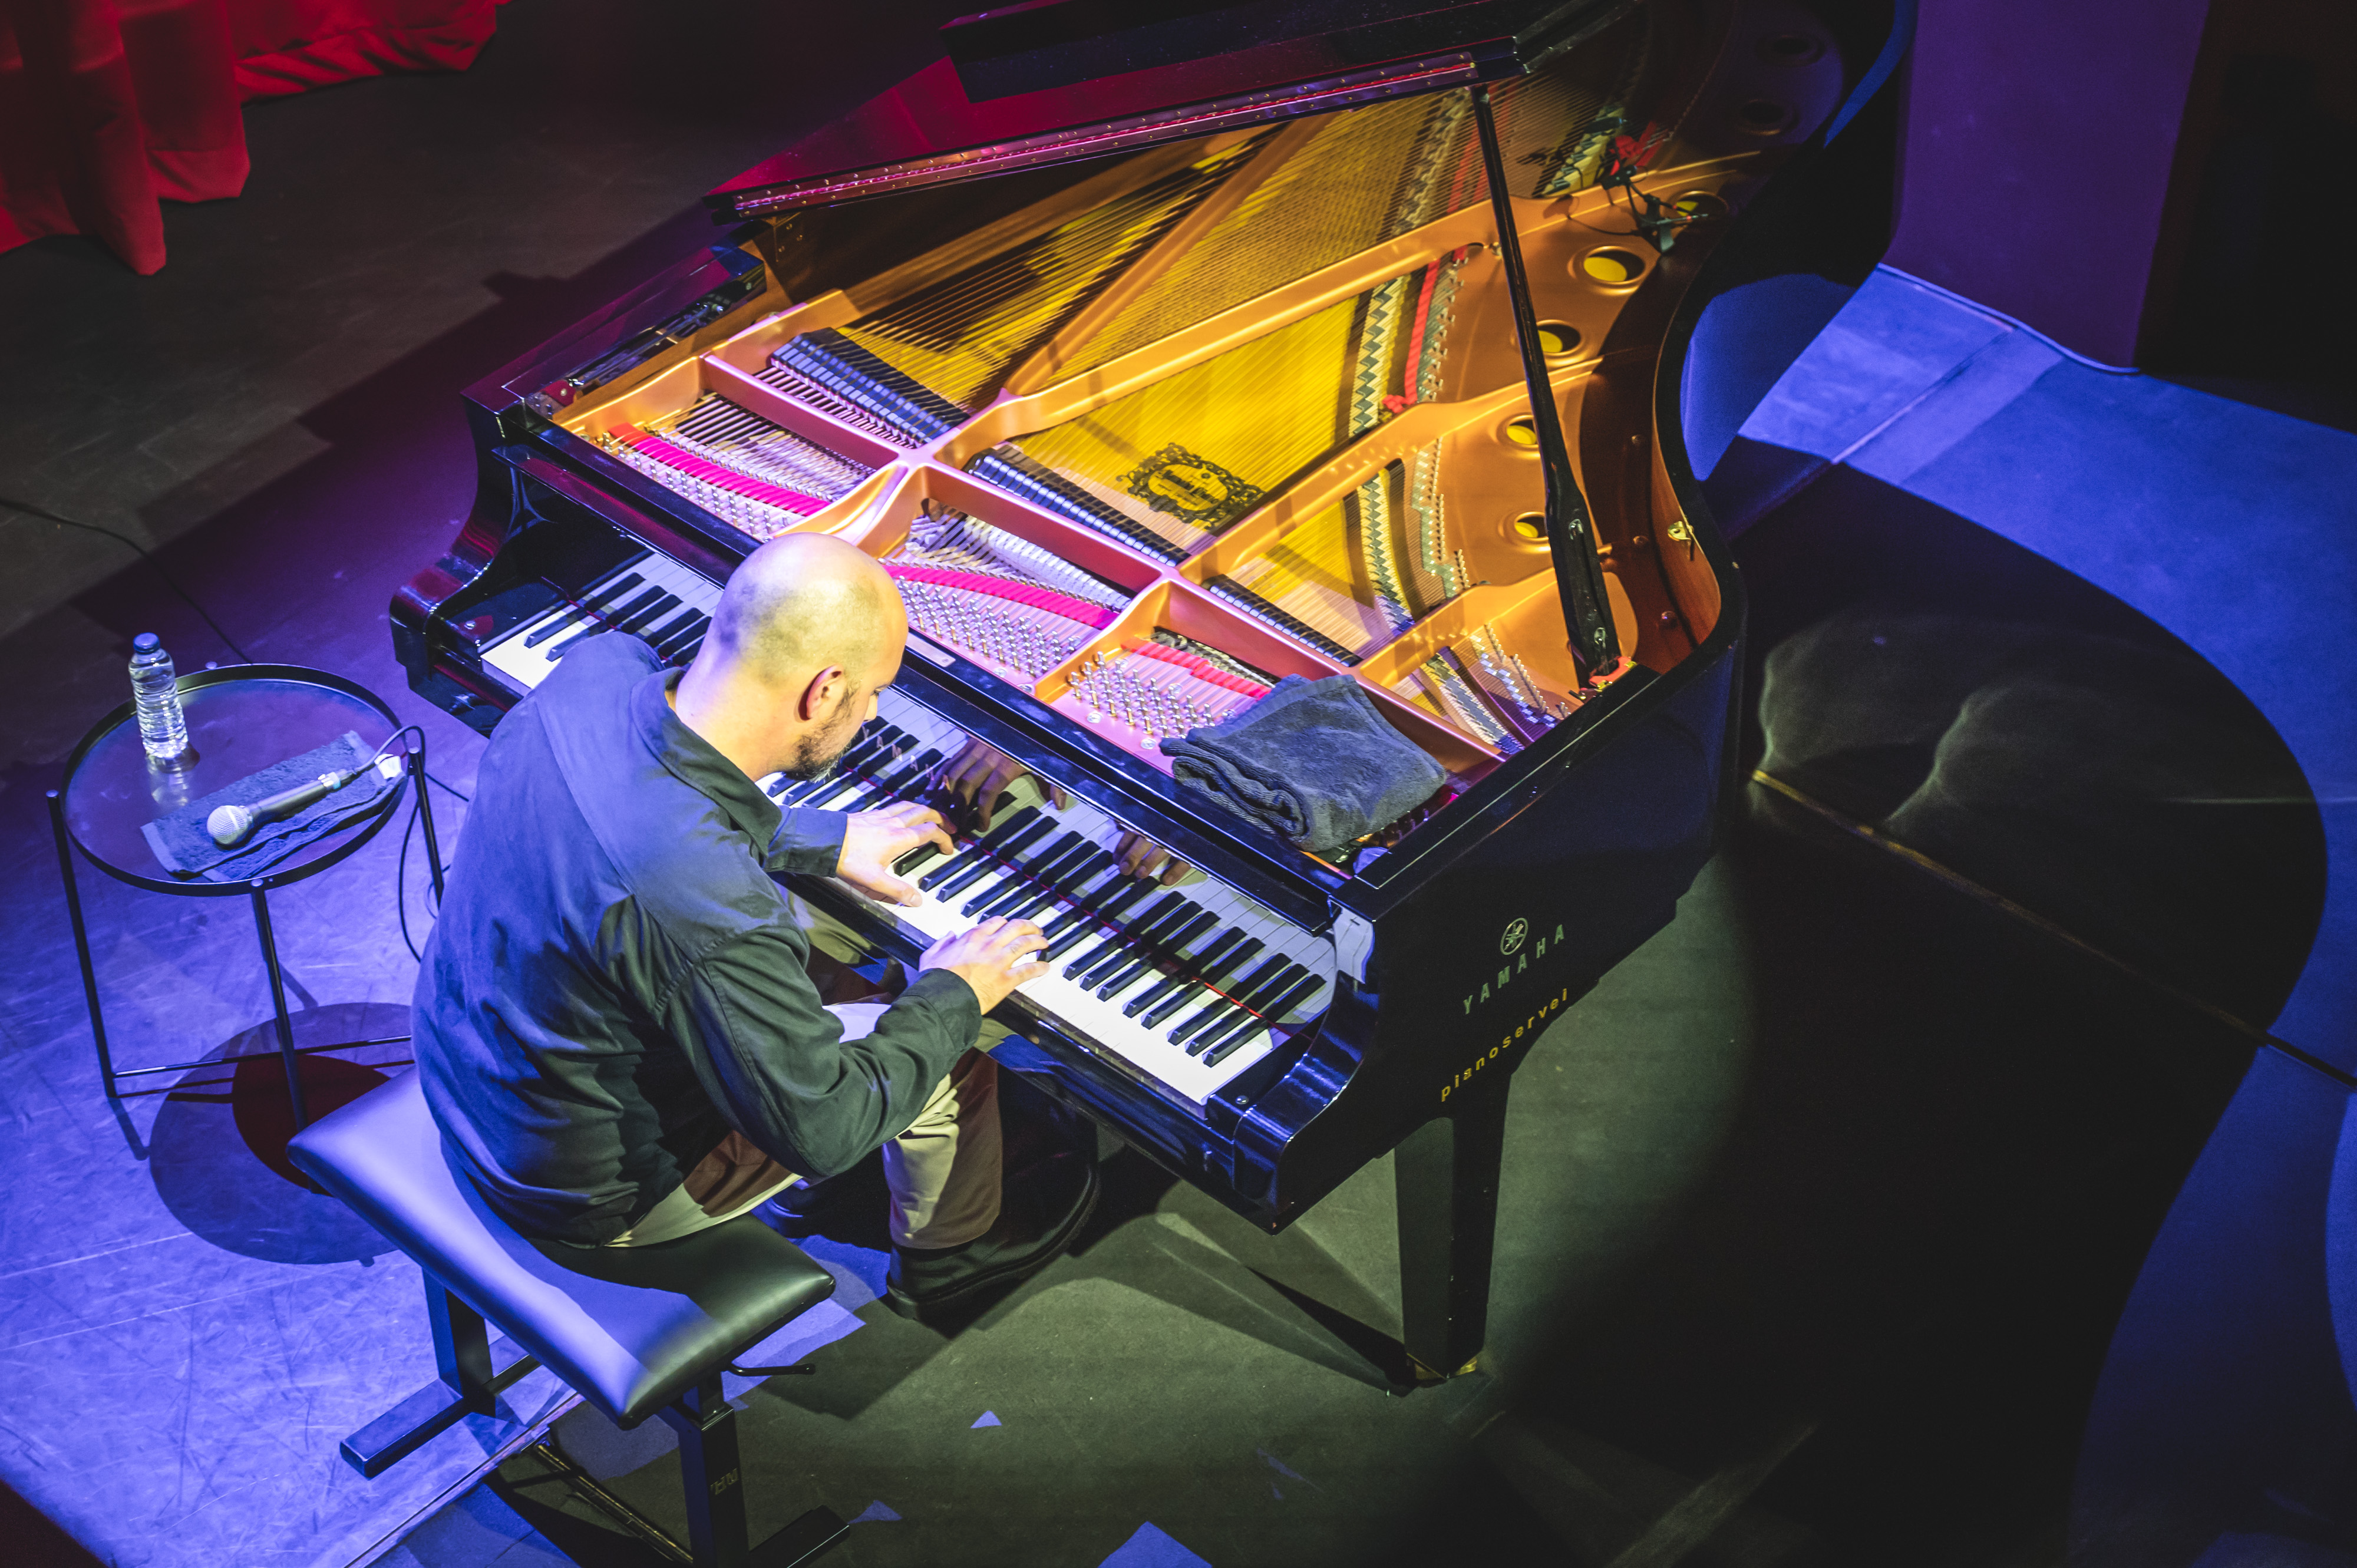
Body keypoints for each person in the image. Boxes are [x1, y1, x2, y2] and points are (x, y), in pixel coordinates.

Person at [412, 532, 1101, 1319]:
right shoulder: (701, 898)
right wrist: (953, 990)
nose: (874, 711)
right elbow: (827, 1129)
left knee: (814, 952)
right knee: (950, 1049)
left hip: (469, 1069)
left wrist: (825, 838)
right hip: (592, 1188)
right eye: (875, 693)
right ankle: (951, 1252)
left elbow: (662, 797)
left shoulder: (599, 670)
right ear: (824, 690)